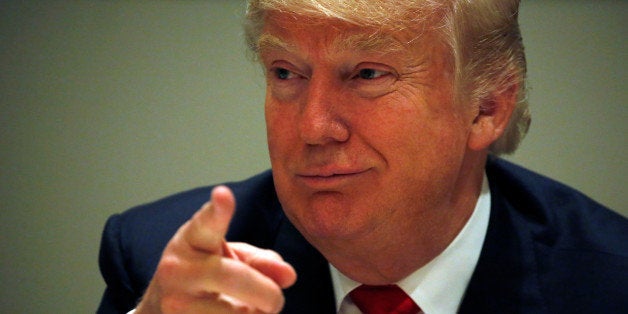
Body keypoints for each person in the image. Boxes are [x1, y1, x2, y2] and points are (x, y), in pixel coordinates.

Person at [97, 0, 628, 313]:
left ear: (486, 108)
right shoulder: (167, 271)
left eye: (368, 74)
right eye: (286, 73)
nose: (312, 127)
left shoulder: (610, 286)